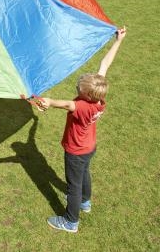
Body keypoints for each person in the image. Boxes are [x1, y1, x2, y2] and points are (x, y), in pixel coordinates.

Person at [40, 26, 127, 233]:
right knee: (84, 174)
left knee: (73, 186)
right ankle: (85, 202)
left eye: (79, 88)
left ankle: (71, 221)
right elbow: (105, 64)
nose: (77, 88)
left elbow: (59, 103)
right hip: (89, 147)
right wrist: (118, 41)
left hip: (76, 151)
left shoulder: (79, 105)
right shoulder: (99, 97)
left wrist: (47, 101)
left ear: (86, 94)